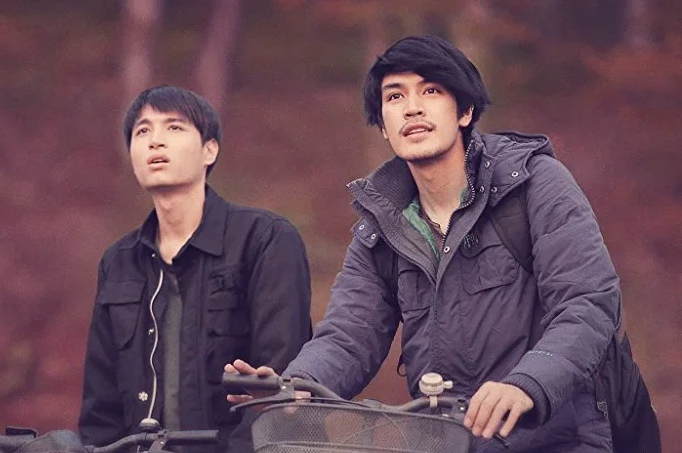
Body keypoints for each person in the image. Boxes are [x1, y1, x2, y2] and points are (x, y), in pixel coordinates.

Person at [227, 36, 621, 452]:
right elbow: (348, 335)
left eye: (431, 91)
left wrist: (528, 383)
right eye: (394, 96)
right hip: (444, 440)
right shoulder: (382, 226)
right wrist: (295, 387)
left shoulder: (535, 184)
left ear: (465, 112)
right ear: (383, 127)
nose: (412, 107)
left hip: (554, 440)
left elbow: (587, 303)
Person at [79, 85, 312, 452]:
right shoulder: (119, 261)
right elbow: (100, 409)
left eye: (174, 127)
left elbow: (284, 385)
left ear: (209, 150)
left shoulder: (264, 239)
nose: (155, 141)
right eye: (142, 131)